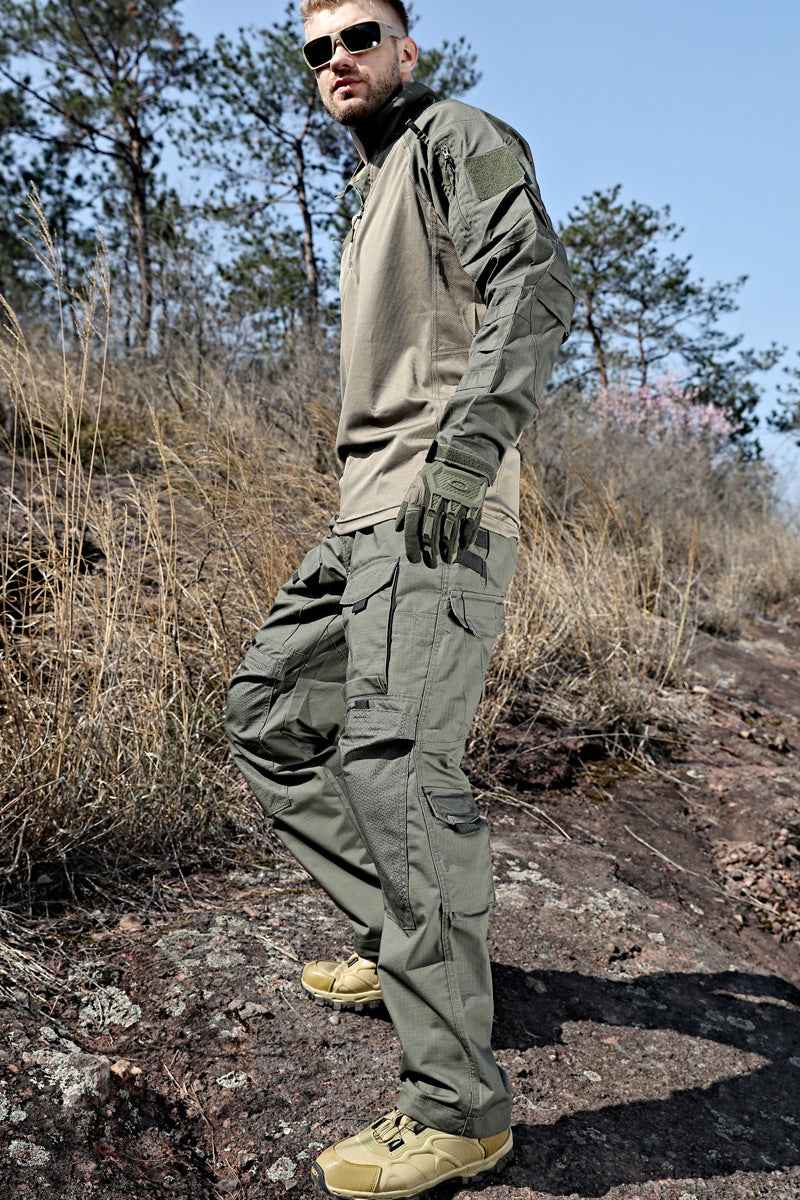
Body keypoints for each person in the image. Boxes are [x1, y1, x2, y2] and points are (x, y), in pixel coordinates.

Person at [225, 1, 575, 1195]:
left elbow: (532, 285)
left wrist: (469, 451)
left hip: (439, 507)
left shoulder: (452, 138)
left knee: (398, 771)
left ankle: (458, 1108)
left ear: (405, 50)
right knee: (267, 709)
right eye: (315, 48)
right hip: (364, 517)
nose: (337, 60)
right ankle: (399, 942)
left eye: (358, 36)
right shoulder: (373, 181)